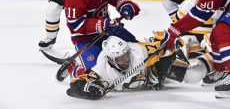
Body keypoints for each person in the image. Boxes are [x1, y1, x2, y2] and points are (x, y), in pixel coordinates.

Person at [60, 0, 140, 81]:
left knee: (135, 49)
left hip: (108, 30)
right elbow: (76, 25)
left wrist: (123, 4)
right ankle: (74, 68)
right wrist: (104, 24)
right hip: (85, 38)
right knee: (96, 75)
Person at [66, 33, 213, 100]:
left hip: (154, 74)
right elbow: (74, 87)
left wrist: (161, 63)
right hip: (148, 81)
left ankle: (214, 55)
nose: (125, 59)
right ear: (111, 60)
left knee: (193, 76)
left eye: (125, 54)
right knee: (80, 71)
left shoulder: (138, 51)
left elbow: (166, 42)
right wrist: (87, 90)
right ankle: (72, 66)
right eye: (120, 58)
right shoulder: (103, 69)